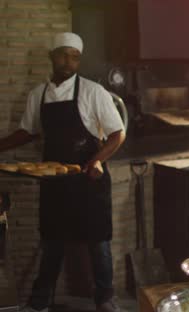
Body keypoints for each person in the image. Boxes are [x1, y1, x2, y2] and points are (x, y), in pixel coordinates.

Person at [0, 32, 125, 312]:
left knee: (98, 244)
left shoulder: (94, 92)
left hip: (89, 181)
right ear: (52, 57)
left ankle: (105, 299)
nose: (68, 61)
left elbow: (118, 133)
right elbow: (27, 132)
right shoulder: (38, 95)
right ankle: (40, 301)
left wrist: (97, 160)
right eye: (63, 55)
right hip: (55, 182)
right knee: (52, 242)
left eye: (75, 56)